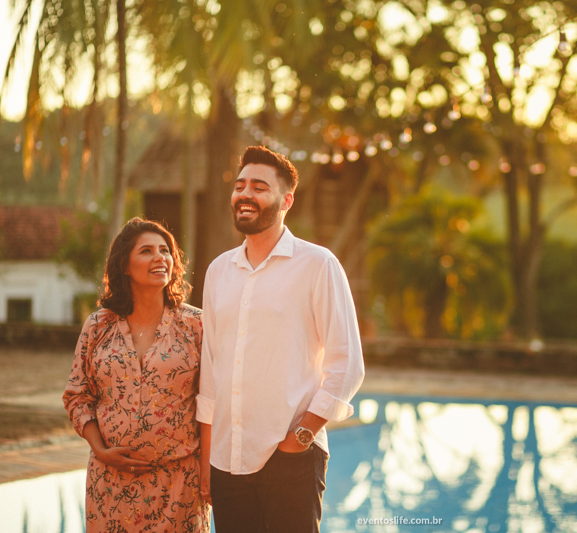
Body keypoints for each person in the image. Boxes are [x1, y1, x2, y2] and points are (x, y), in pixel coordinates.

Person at [197, 146, 365, 532]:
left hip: (291, 460)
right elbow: (210, 370)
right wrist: (207, 457)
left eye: (259, 187)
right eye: (240, 186)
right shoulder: (219, 271)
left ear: (286, 200)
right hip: (226, 461)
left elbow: (346, 365)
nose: (245, 194)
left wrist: (299, 438)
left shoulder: (318, 265)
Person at [63, 217, 210, 532]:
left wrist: (207, 471)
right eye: (146, 251)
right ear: (125, 265)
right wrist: (100, 450)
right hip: (110, 485)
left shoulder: (196, 325)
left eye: (165, 250)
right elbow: (77, 395)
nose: (160, 257)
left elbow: (211, 401)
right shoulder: (98, 326)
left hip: (179, 485)